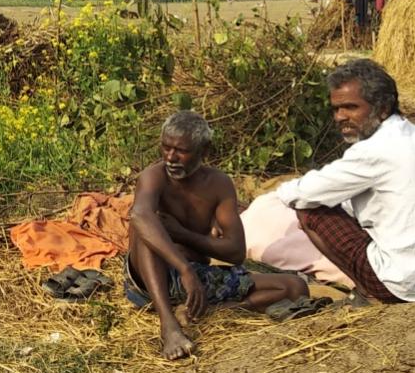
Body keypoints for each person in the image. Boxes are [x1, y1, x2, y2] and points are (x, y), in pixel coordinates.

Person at [127, 111, 310, 360]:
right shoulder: (154, 176)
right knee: (146, 224)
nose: (171, 157)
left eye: (181, 151)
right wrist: (183, 269)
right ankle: (168, 325)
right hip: (151, 280)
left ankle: (212, 311)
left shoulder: (219, 184)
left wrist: (183, 235)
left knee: (295, 287)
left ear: (205, 151)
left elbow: (235, 251)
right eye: (166, 148)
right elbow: (139, 216)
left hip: (196, 282)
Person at [277, 59, 415, 303]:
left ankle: (370, 292)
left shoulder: (375, 150)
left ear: (383, 108)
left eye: (350, 107)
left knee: (309, 211)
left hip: (403, 284)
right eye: (336, 109)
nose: (340, 117)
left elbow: (303, 194)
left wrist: (281, 190)